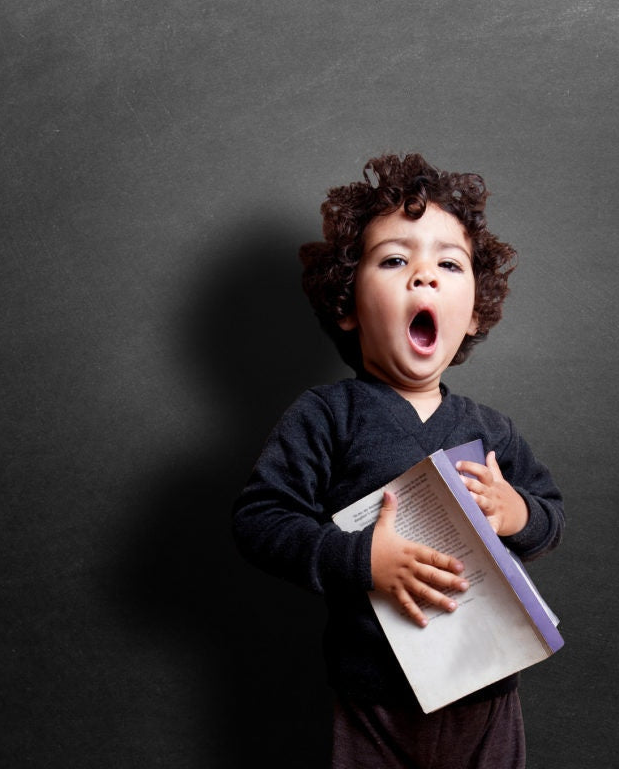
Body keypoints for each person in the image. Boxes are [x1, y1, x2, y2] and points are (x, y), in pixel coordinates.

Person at [232, 153, 564, 768]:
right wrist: (361, 558)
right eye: (394, 260)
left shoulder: (492, 429)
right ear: (347, 305)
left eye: (448, 263)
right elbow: (259, 521)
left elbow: (550, 517)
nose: (424, 277)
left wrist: (517, 513)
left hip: (488, 691)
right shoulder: (327, 415)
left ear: (473, 314)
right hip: (373, 701)